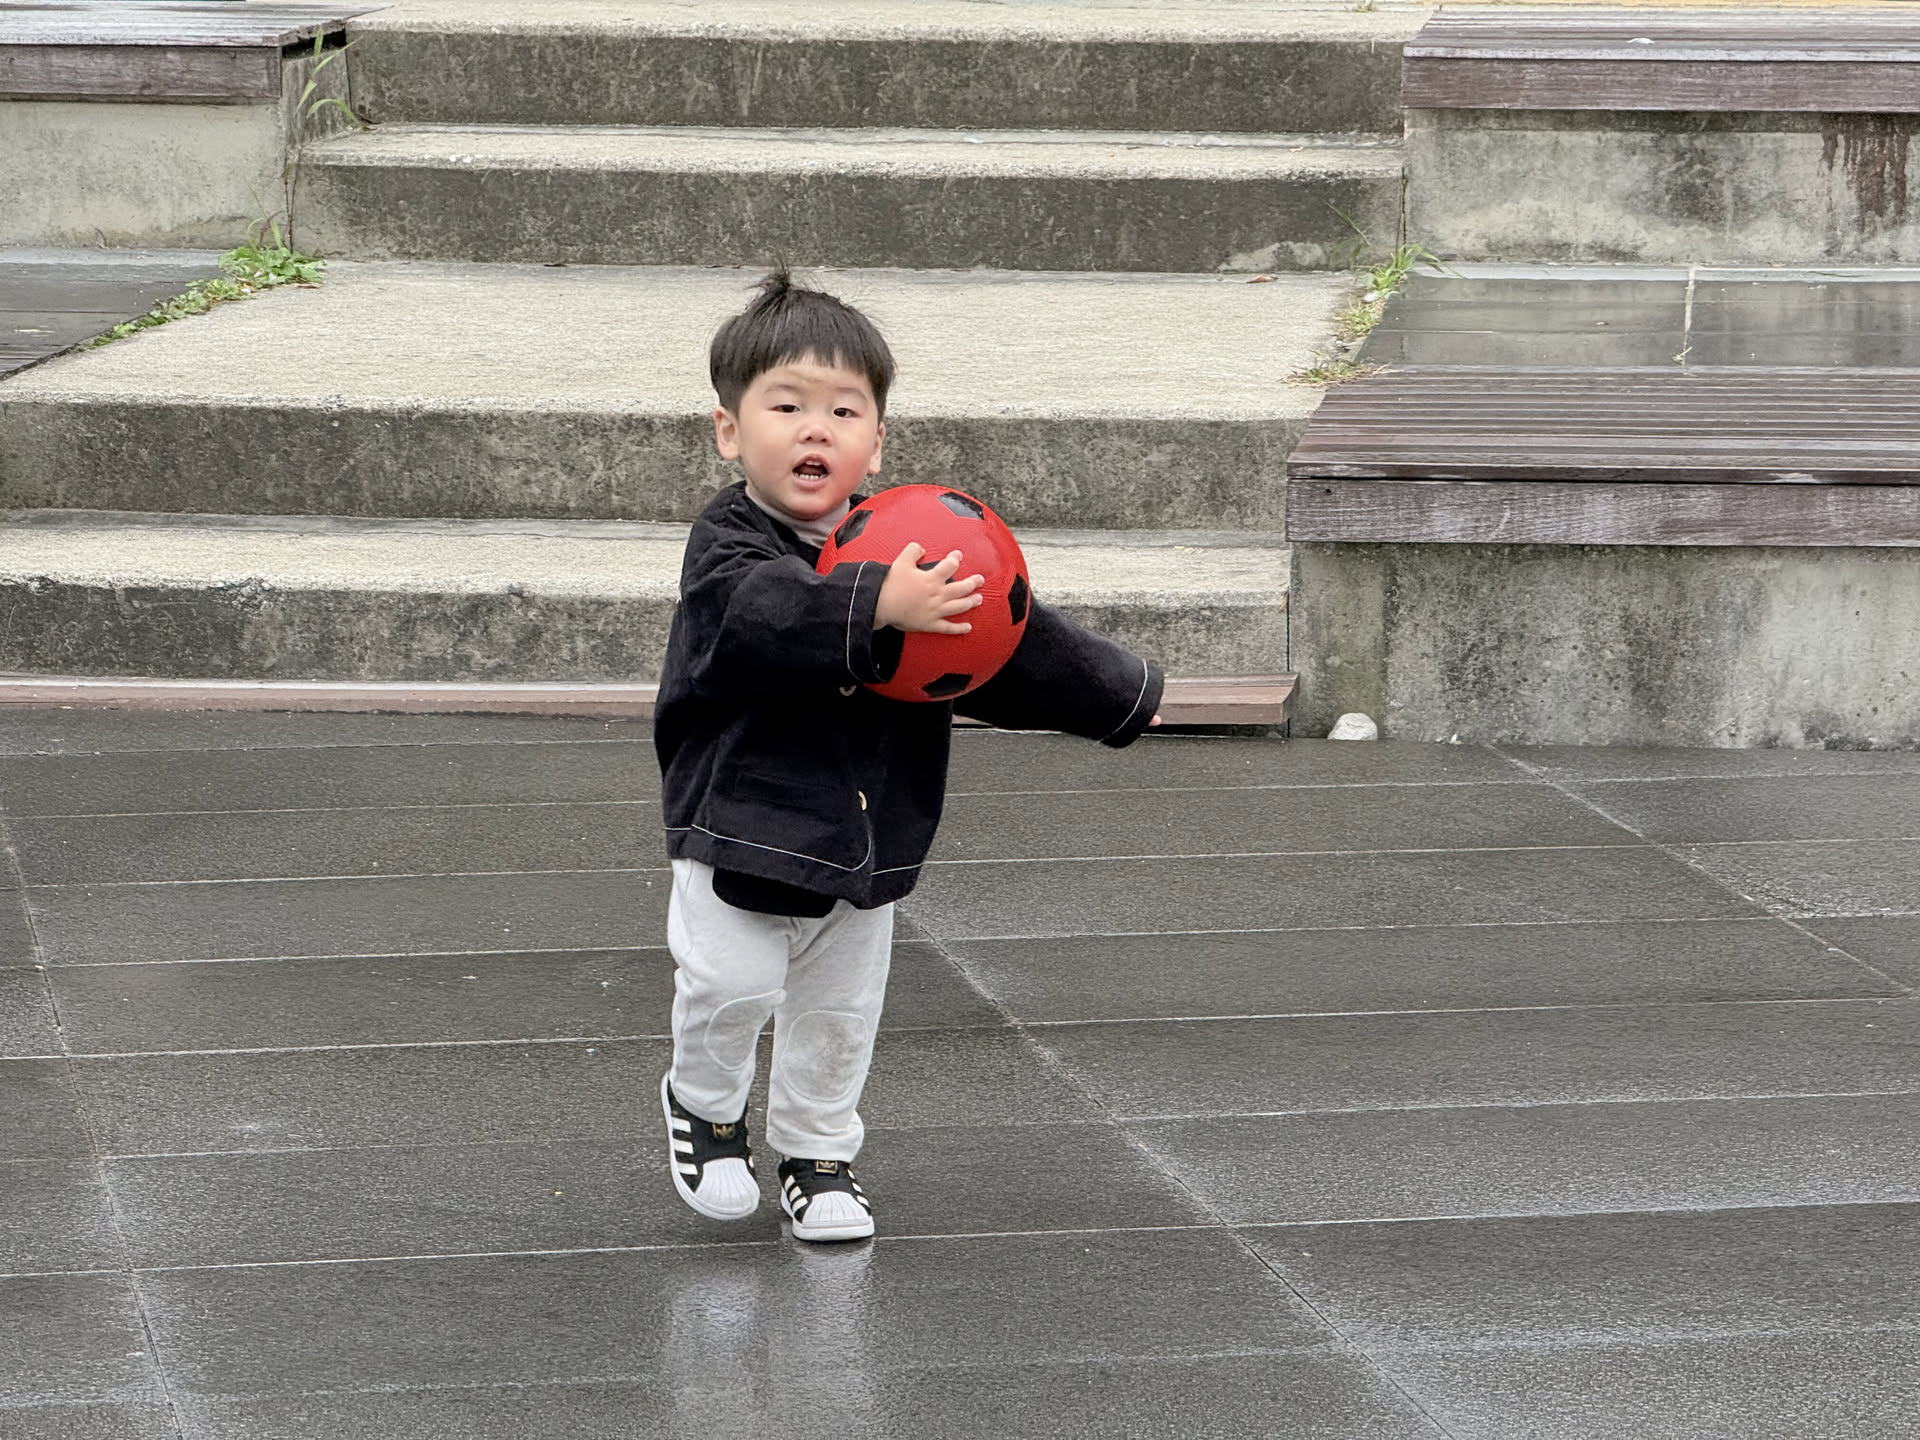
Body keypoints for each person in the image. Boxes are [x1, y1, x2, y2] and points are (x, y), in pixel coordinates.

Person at [655, 270, 1163, 1242]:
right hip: (739, 822)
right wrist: (874, 603)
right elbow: (758, 617)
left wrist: (1122, 693)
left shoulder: (910, 539)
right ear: (729, 431)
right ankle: (706, 1107)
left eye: (843, 411)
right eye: (786, 406)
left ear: (878, 440)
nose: (815, 430)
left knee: (838, 1013)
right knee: (733, 983)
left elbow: (1004, 640)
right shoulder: (728, 543)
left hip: (868, 825)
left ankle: (817, 1154)